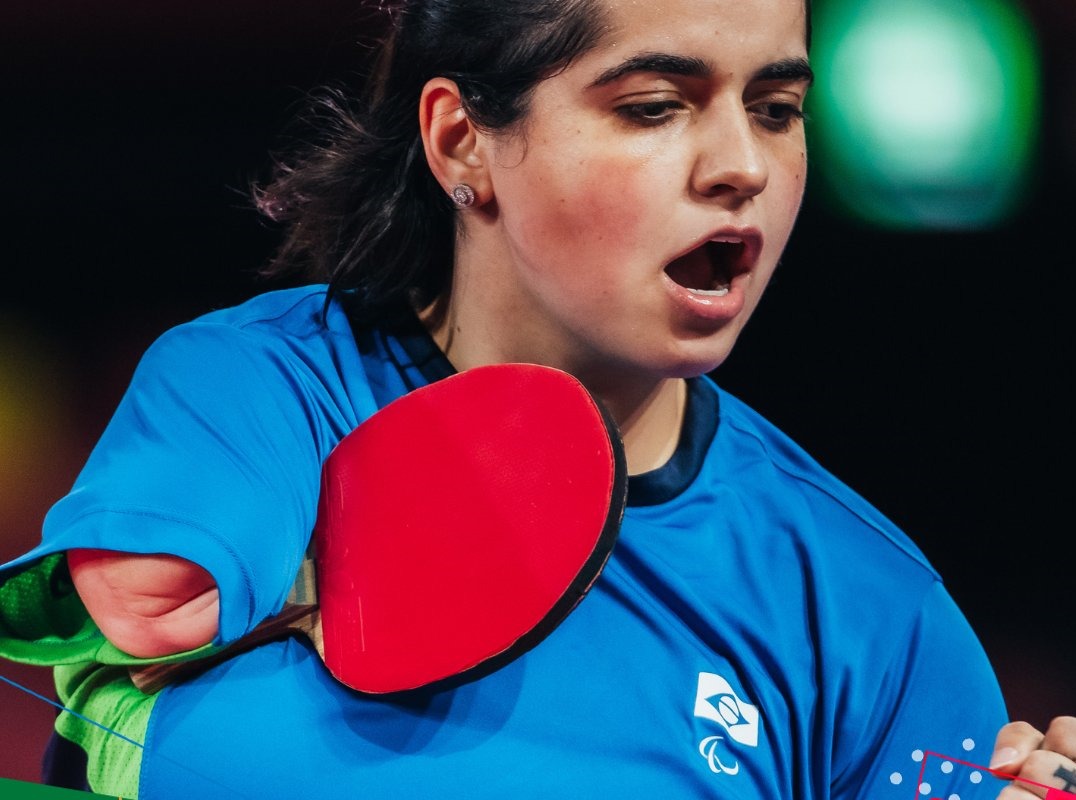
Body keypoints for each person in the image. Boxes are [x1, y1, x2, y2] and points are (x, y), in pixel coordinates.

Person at [0, 0, 1070, 797]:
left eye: (776, 109)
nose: (741, 164)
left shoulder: (868, 610)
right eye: (654, 107)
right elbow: (147, 604)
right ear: (460, 140)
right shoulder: (268, 388)